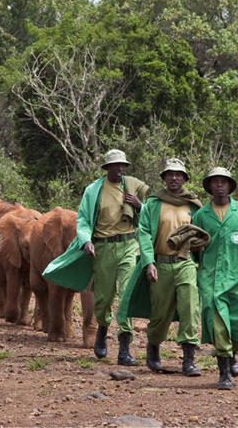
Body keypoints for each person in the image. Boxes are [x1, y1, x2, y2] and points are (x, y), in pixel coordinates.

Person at [41, 149, 148, 365]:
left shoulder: (132, 187)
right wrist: (86, 240)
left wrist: (139, 205)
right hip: (103, 247)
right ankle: (102, 330)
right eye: (115, 165)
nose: (120, 169)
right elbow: (83, 220)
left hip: (128, 244)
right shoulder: (93, 190)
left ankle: (125, 348)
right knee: (103, 296)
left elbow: (148, 218)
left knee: (126, 293)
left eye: (122, 165)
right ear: (107, 168)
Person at [117, 158, 208, 376]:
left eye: (178, 174)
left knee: (190, 308)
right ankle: (154, 346)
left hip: (186, 263)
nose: (174, 178)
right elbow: (145, 233)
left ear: (185, 178)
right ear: (164, 178)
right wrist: (148, 262)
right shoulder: (153, 204)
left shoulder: (194, 205)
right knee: (160, 312)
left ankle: (188, 359)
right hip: (161, 264)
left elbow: (203, 233)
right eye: (170, 174)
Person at [191, 166, 238, 390]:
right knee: (219, 323)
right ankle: (224, 373)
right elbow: (194, 248)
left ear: (230, 185)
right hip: (211, 278)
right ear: (209, 186)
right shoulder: (200, 215)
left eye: (223, 181)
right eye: (215, 182)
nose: (219, 185)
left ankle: (233, 351)